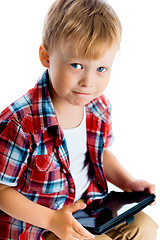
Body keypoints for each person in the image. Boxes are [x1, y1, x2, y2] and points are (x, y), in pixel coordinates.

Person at [0, 0, 158, 239]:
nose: (89, 81)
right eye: (76, 65)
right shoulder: (22, 123)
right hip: (40, 226)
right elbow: (1, 190)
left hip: (88, 209)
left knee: (145, 227)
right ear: (46, 56)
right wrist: (52, 220)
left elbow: (100, 153)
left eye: (101, 69)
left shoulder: (98, 107)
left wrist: (128, 182)